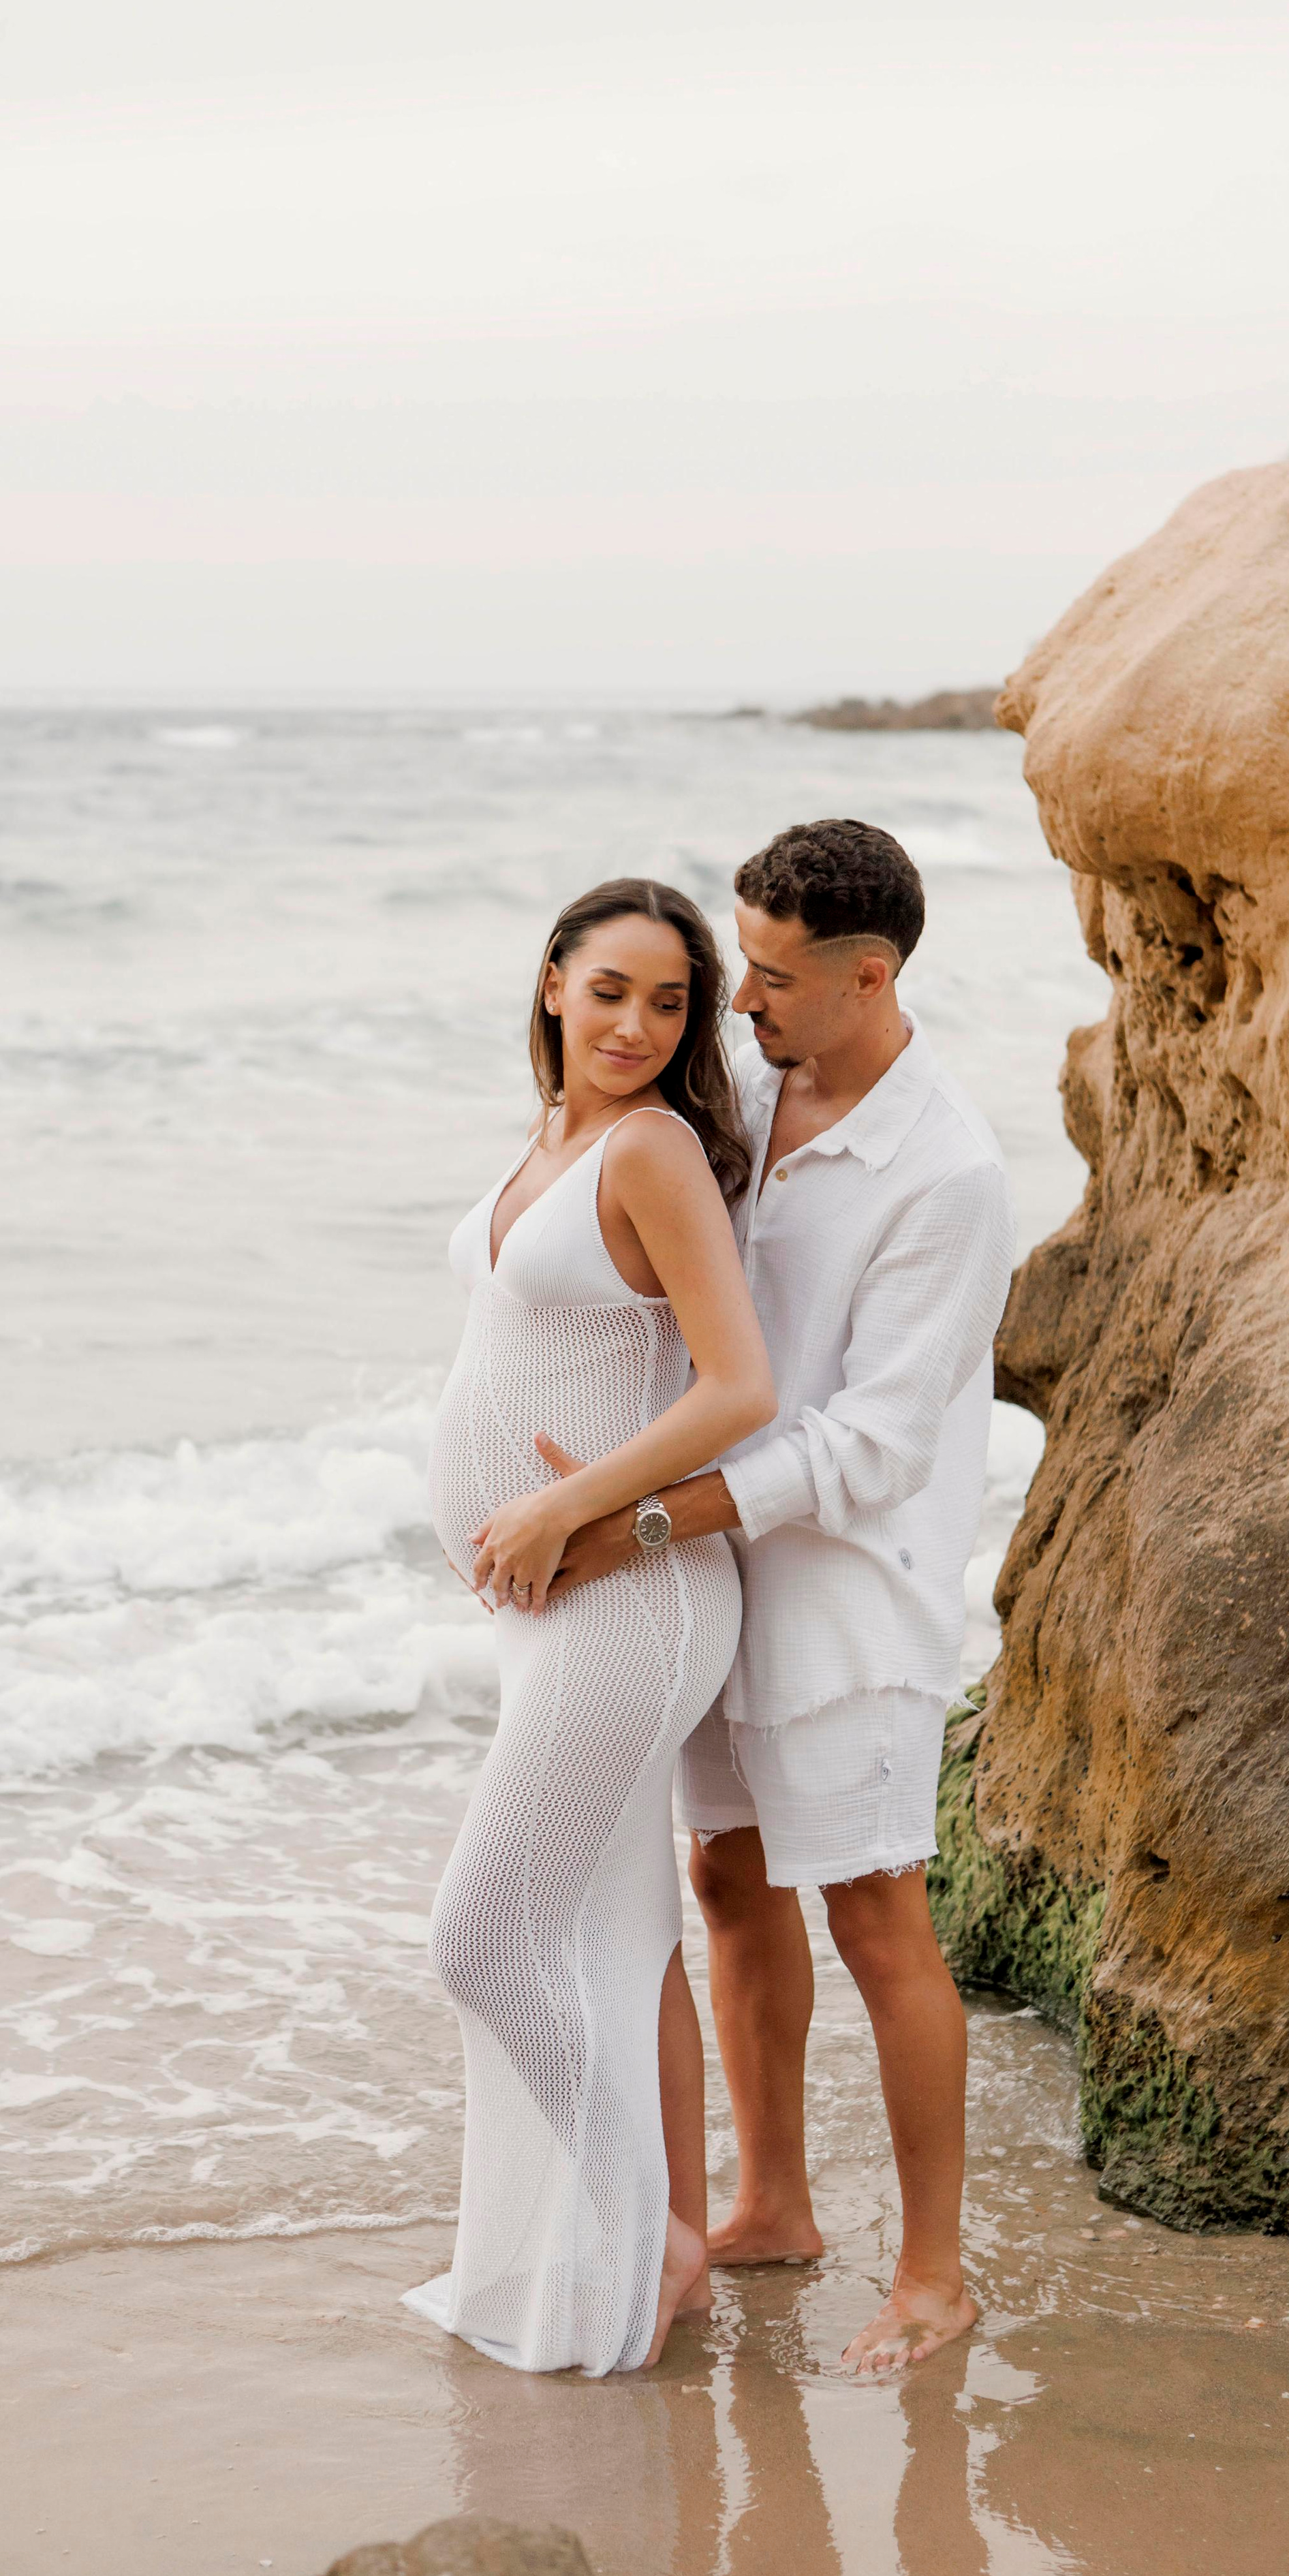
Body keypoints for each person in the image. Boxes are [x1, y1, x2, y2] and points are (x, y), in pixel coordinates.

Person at [544, 818, 1015, 2376]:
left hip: (848, 1598)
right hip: (712, 1579)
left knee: (878, 1914)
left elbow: (871, 1440)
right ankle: (774, 2204)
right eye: (736, 965)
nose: (735, 1000)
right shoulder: (748, 1093)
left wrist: (649, 1518)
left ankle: (936, 2275)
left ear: (866, 976)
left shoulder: (944, 1171)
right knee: (730, 1888)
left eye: (767, 976)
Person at [403, 876, 775, 2378]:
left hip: (635, 1598)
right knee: (613, 1939)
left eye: (672, 1002)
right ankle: (643, 2250)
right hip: (550, 1618)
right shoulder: (550, 1142)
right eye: (611, 989)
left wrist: (570, 1510)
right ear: (552, 982)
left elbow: (736, 1387)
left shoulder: (652, 1146)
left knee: (481, 1937)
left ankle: (648, 2237)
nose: (638, 1024)